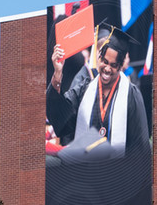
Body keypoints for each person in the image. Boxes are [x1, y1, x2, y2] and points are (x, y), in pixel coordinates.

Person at [46, 27, 150, 159]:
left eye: (113, 65)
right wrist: (57, 74)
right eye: (105, 62)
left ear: (120, 66)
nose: (107, 69)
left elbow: (140, 145)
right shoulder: (84, 89)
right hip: (86, 173)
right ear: (99, 58)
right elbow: (62, 120)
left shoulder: (131, 95)